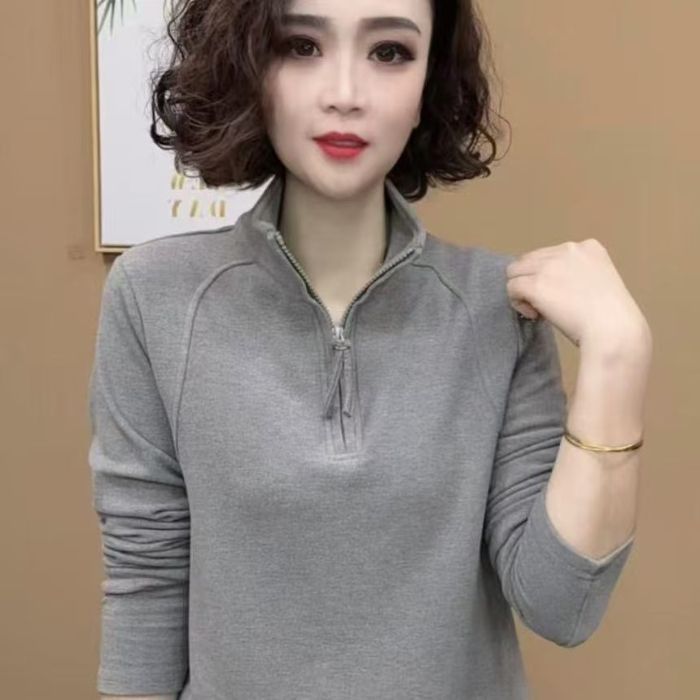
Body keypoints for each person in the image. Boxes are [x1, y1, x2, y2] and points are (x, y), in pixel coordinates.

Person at [89, 1, 638, 698]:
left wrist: (617, 358)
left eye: (389, 53)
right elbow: (146, 582)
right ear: (249, 65)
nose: (345, 93)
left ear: (430, 81)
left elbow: (561, 606)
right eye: (301, 46)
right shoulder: (155, 296)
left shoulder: (500, 310)